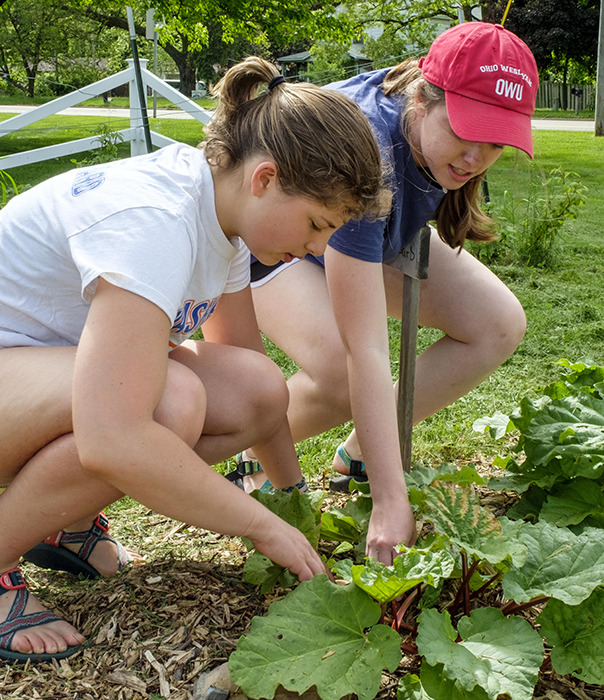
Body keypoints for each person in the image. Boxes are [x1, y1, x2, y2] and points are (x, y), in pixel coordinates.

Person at [0, 56, 389, 663]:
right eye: (317, 225)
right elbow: (112, 436)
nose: (315, 249)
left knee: (254, 385)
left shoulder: (224, 222)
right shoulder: (157, 223)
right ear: (264, 178)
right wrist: (260, 526)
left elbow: (255, 394)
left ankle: (64, 522)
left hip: (28, 382)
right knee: (166, 405)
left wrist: (293, 504)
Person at [238, 23, 539, 564]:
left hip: (344, 238)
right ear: (423, 96)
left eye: (495, 141)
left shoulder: (425, 127)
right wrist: (390, 496)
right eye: (466, 131)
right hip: (262, 243)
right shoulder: (365, 155)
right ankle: (250, 461)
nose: (475, 157)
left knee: (496, 322)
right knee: (337, 370)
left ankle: (356, 456)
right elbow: (365, 348)